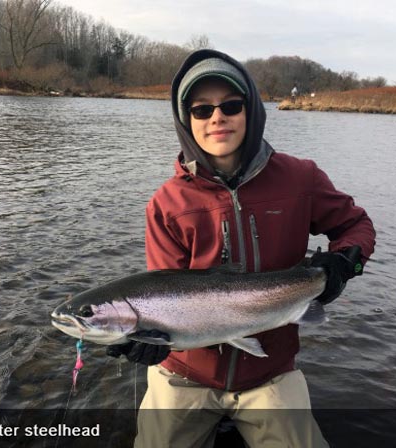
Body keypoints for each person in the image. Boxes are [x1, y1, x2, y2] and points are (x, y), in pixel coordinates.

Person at [107, 49, 376, 447]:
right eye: (202, 110)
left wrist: (344, 264)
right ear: (186, 120)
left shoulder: (301, 177)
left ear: (250, 110)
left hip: (271, 373)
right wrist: (149, 341)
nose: (217, 117)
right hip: (185, 374)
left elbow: (357, 225)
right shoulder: (167, 203)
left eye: (231, 105)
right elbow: (161, 290)